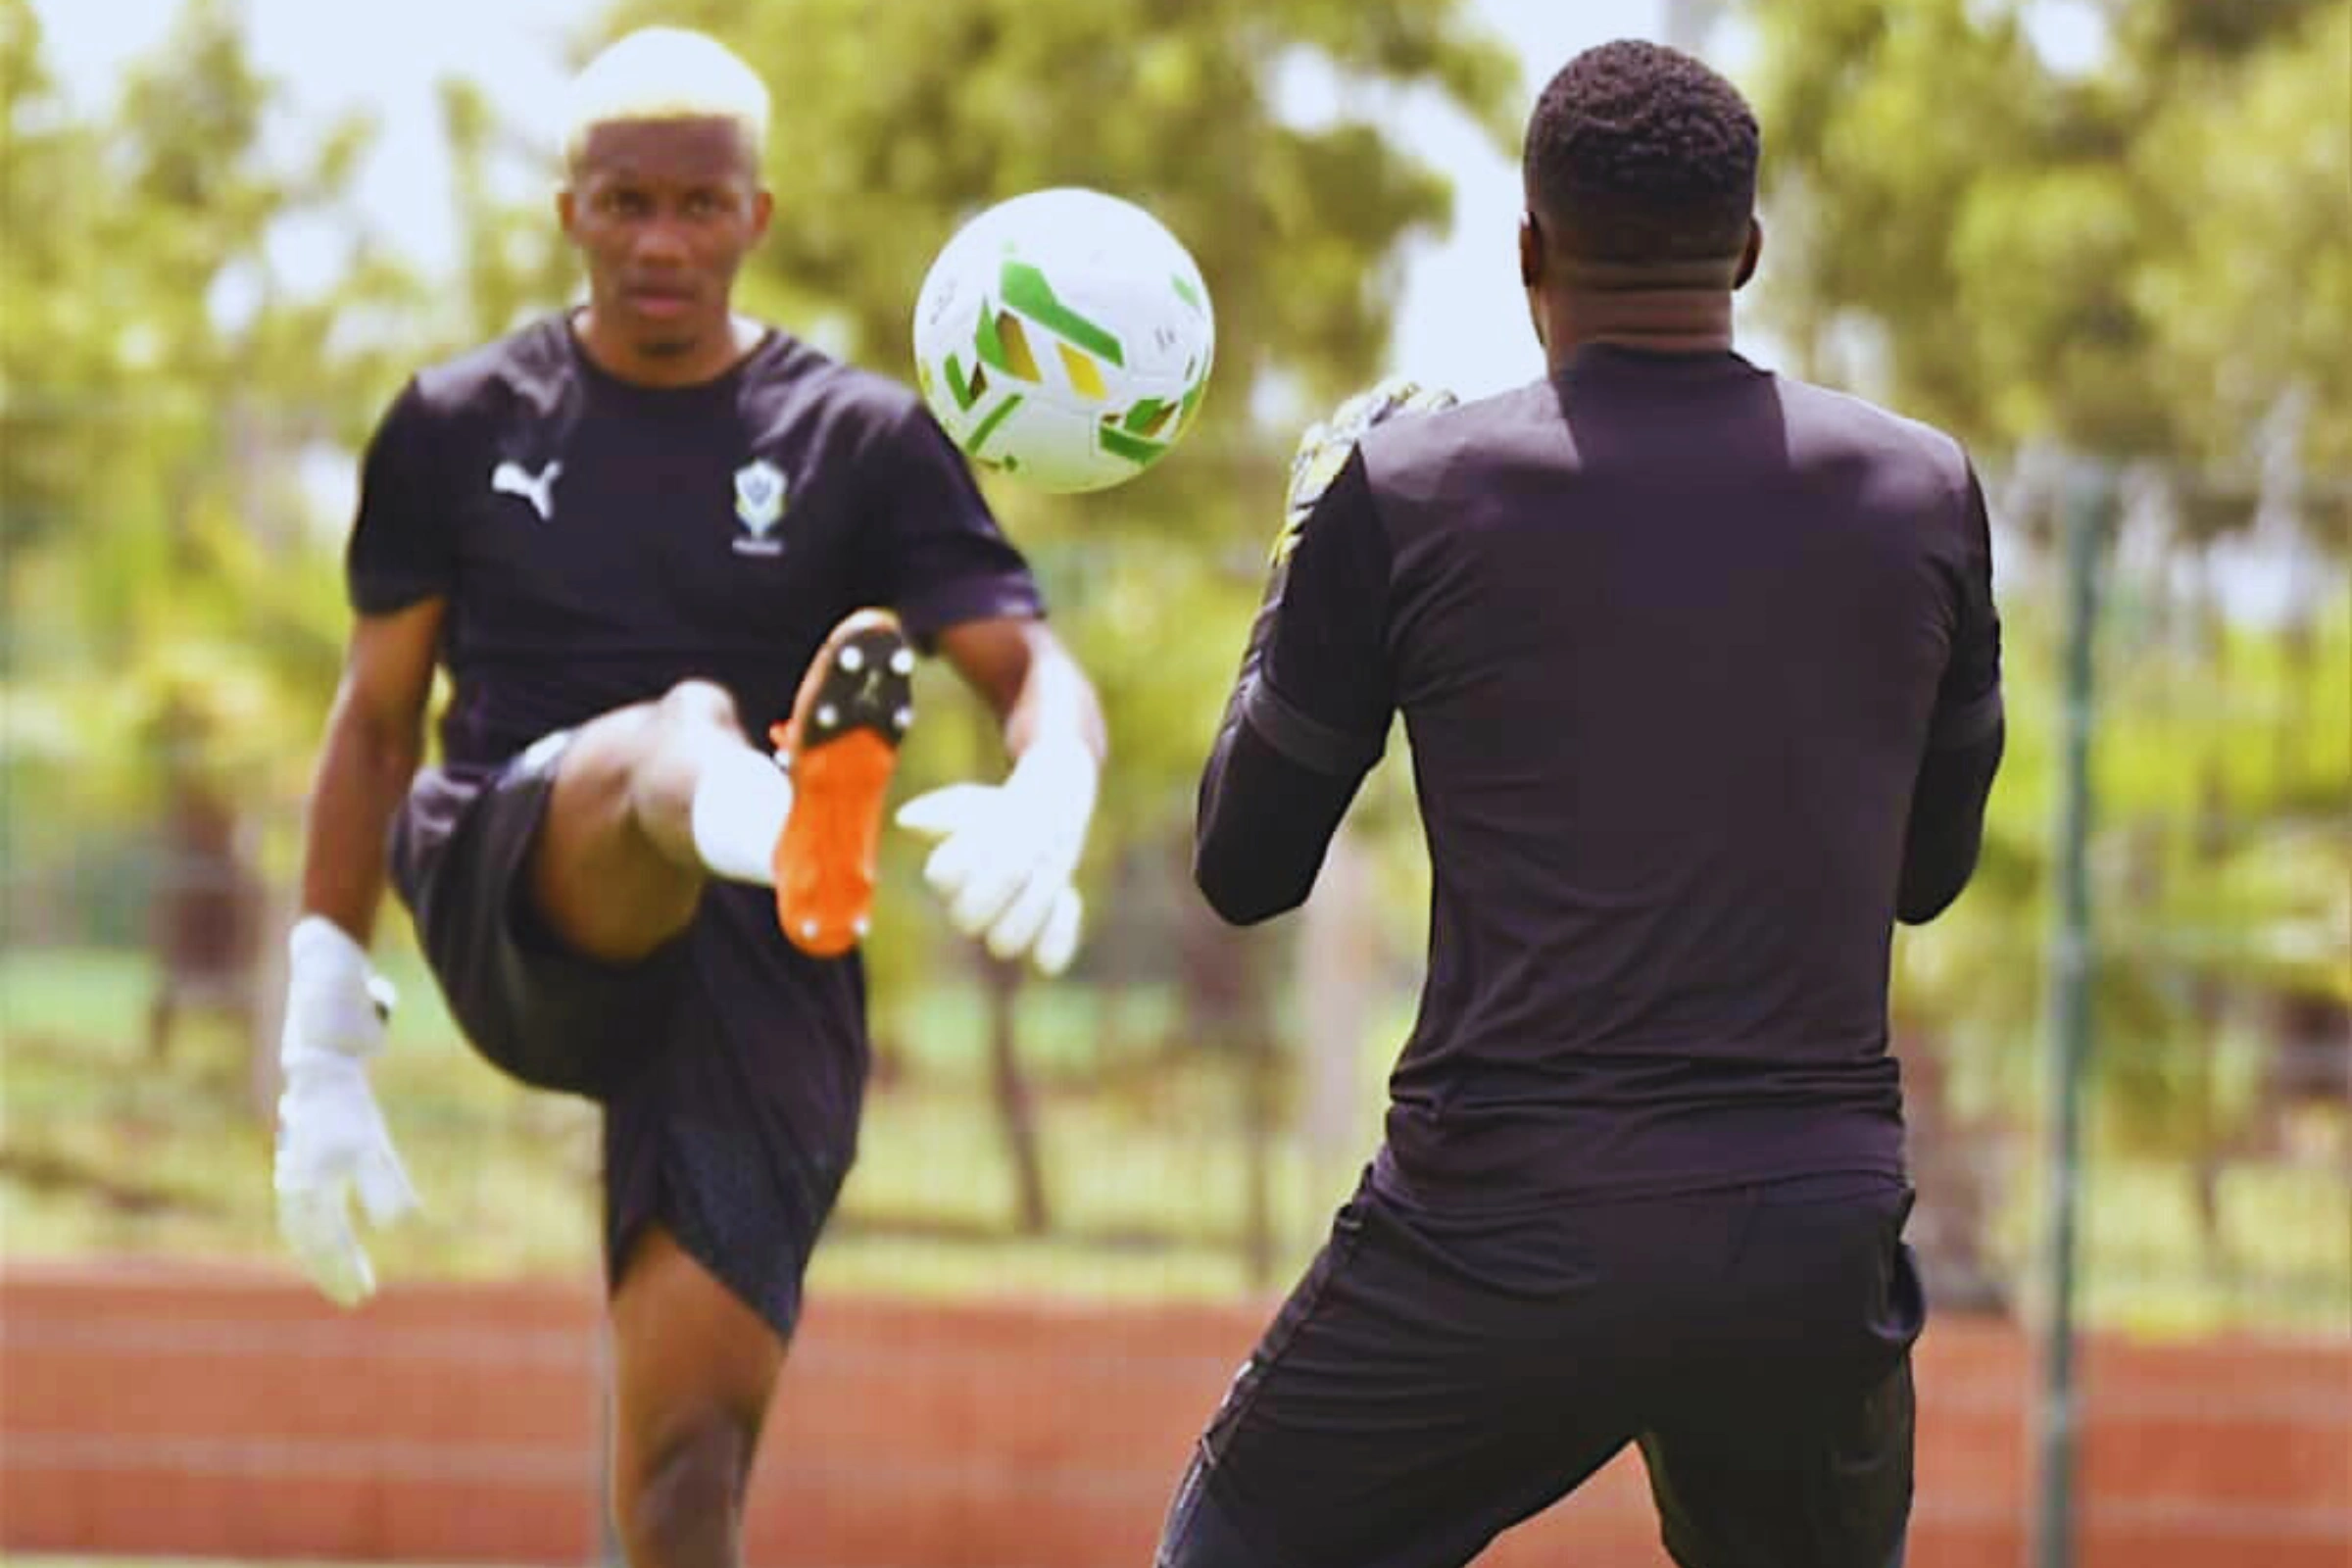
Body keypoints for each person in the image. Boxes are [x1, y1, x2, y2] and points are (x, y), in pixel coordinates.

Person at [1157, 37, 2002, 1568]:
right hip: (1803, 1236)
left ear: (1529, 248)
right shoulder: (1924, 489)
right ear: (1746, 249)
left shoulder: (1404, 492)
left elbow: (1244, 865)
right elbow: (1927, 875)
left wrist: (1303, 557)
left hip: (1498, 1230)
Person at [269, 26, 1104, 1568]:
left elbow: (1032, 666)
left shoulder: (860, 439)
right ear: (570, 206)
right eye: (628, 202)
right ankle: (778, 804)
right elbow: (376, 723)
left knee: (685, 1469)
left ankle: (785, 825)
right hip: (520, 880)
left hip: (757, 960)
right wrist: (322, 1028)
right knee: (680, 736)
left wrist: (1053, 782)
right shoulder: (456, 424)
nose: (663, 241)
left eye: (700, 207)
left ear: (757, 218)